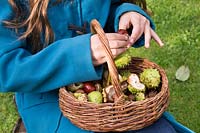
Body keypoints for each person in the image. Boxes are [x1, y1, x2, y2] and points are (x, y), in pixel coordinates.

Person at [0, 0, 177, 133]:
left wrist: (125, 13)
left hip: (105, 84)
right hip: (45, 95)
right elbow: (5, 68)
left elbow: (111, 5)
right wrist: (81, 54)